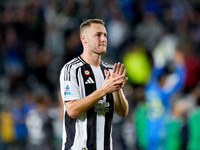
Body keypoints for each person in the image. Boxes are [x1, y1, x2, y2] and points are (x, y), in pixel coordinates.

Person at [59, 19, 129, 150]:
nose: (103, 39)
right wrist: (103, 90)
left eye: (105, 35)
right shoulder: (72, 69)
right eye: (98, 35)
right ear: (84, 39)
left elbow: (123, 112)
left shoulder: (110, 70)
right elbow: (72, 110)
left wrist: (117, 90)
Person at [144, 49, 185, 150]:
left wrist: (158, 64)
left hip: (149, 130)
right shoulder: (163, 93)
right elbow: (179, 82)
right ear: (161, 80)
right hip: (161, 131)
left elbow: (152, 75)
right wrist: (180, 65)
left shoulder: (148, 89)